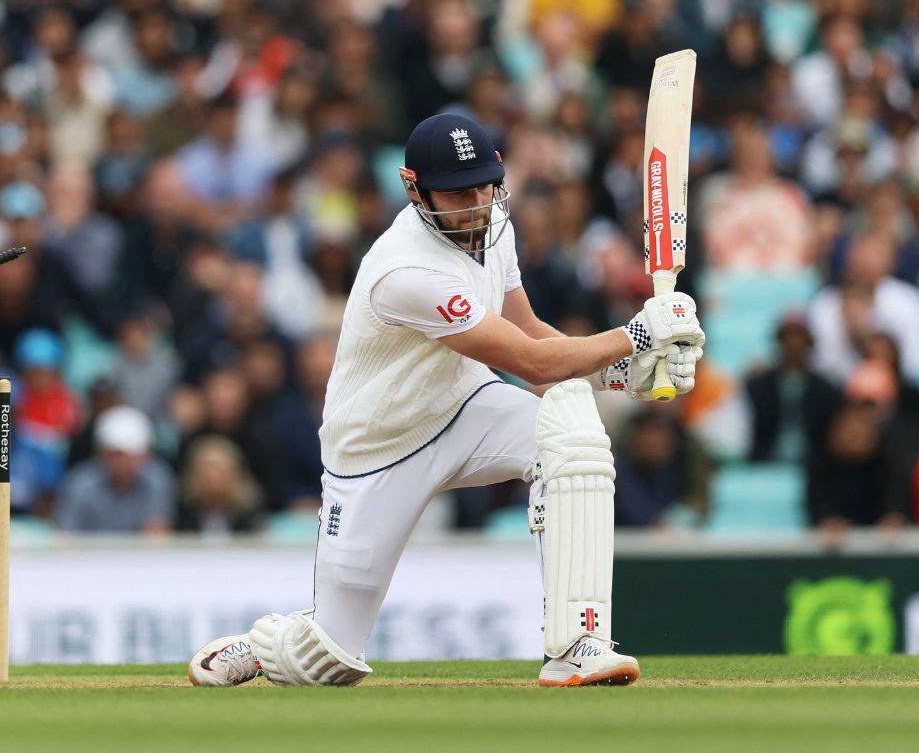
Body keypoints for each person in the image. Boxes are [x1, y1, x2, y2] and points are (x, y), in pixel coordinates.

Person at [187, 114, 705, 689]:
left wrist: (623, 374)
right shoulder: (404, 271)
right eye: (459, 193)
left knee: (572, 430)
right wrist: (637, 336)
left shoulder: (495, 227)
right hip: (377, 448)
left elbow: (529, 332)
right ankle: (269, 645)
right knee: (328, 660)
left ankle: (577, 644)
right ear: (413, 187)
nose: (477, 204)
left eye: (486, 185)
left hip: (464, 405)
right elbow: (530, 363)